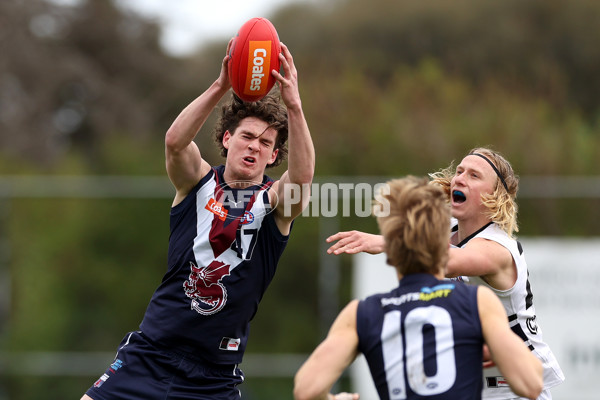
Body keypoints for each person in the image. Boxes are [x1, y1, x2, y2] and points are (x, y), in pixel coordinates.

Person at [82, 38, 315, 400]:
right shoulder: (198, 183)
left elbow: (301, 181)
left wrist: (295, 107)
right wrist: (221, 85)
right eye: (247, 136)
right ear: (227, 138)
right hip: (150, 356)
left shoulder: (275, 205)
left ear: (273, 156)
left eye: (266, 143)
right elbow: (175, 141)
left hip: (213, 378)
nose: (254, 145)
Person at [325, 148, 565, 399]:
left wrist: (385, 242)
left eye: (474, 175)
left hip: (512, 388)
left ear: (495, 196)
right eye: (459, 171)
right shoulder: (445, 230)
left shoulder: (497, 247)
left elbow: (446, 260)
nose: (459, 178)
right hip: (469, 384)